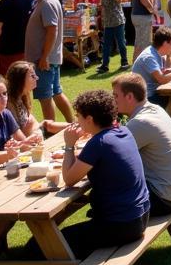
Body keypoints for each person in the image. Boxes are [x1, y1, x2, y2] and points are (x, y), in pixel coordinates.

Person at [60, 90, 150, 256]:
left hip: (122, 225)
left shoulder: (99, 143)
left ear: (89, 119)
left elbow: (69, 179)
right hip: (141, 216)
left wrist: (69, 145)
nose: (76, 120)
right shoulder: (123, 131)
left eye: (78, 115)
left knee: (52, 243)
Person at [112, 72, 171, 216]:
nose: (113, 100)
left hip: (163, 199)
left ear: (129, 97)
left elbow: (110, 156)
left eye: (116, 96)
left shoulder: (140, 122)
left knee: (108, 185)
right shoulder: (155, 109)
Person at [23, 0, 74, 125]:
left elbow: (52, 30)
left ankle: (51, 130)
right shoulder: (45, 0)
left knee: (45, 97)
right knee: (56, 92)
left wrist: (44, 56)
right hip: (46, 58)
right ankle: (72, 124)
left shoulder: (47, 2)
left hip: (43, 59)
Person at [97, 0, 128, 73]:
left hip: (118, 21)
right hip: (108, 22)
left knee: (121, 43)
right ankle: (105, 65)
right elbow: (102, 6)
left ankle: (124, 61)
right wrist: (101, 18)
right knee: (106, 45)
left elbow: (119, 0)